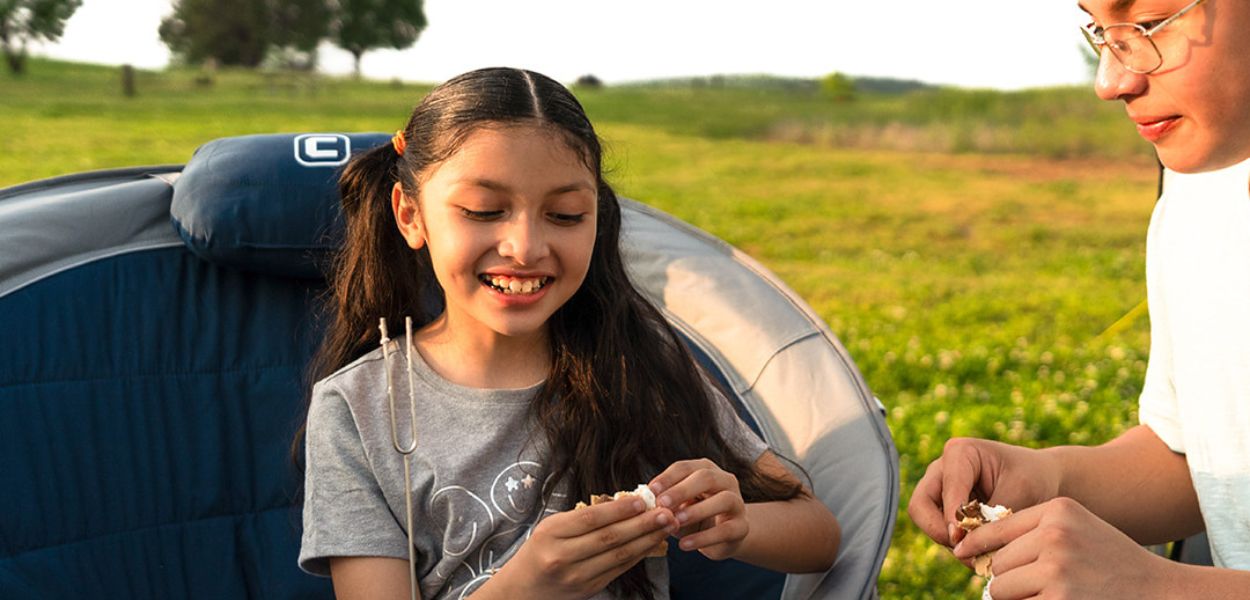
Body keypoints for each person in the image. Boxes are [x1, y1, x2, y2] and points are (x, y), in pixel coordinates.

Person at [296, 67, 841, 600]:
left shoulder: (631, 360)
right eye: (485, 210)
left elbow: (818, 534)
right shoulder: (357, 410)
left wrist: (739, 521)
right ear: (411, 216)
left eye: (564, 215)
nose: (526, 246)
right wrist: (528, 586)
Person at [909, 0, 1250, 597]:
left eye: (1151, 23)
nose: (1111, 80)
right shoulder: (1196, 198)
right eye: (1102, 30)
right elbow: (1204, 464)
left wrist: (1161, 589)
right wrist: (1047, 476)